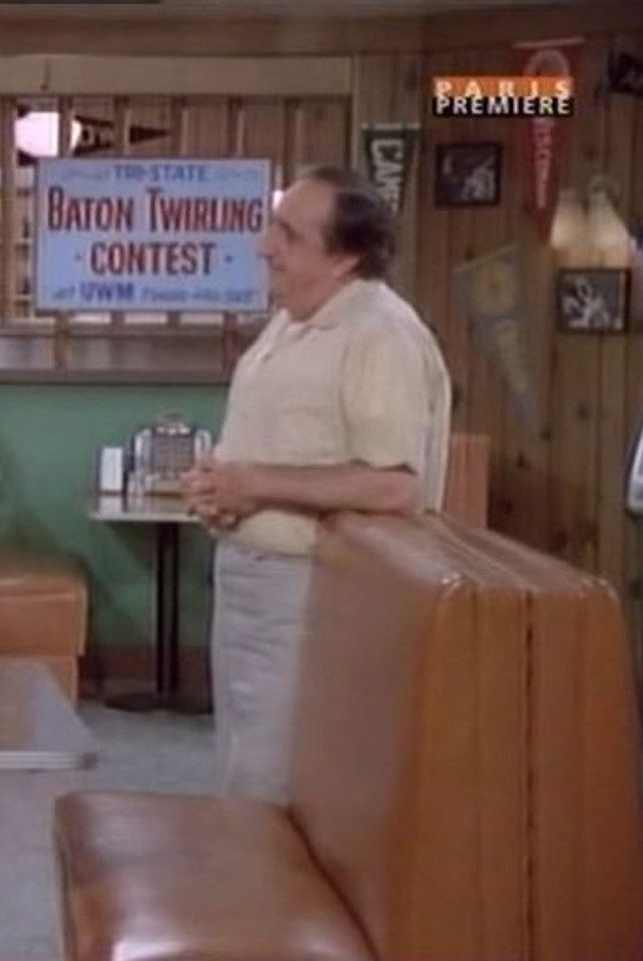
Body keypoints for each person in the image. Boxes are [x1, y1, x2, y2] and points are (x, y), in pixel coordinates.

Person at [183, 166, 452, 805]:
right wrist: (221, 486)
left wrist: (256, 483)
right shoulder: (292, 320)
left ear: (344, 258)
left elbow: (396, 487)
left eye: (290, 235)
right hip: (251, 578)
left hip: (312, 589)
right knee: (244, 762)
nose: (264, 245)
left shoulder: (380, 335)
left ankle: (267, 872)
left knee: (280, 778)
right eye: (273, 226)